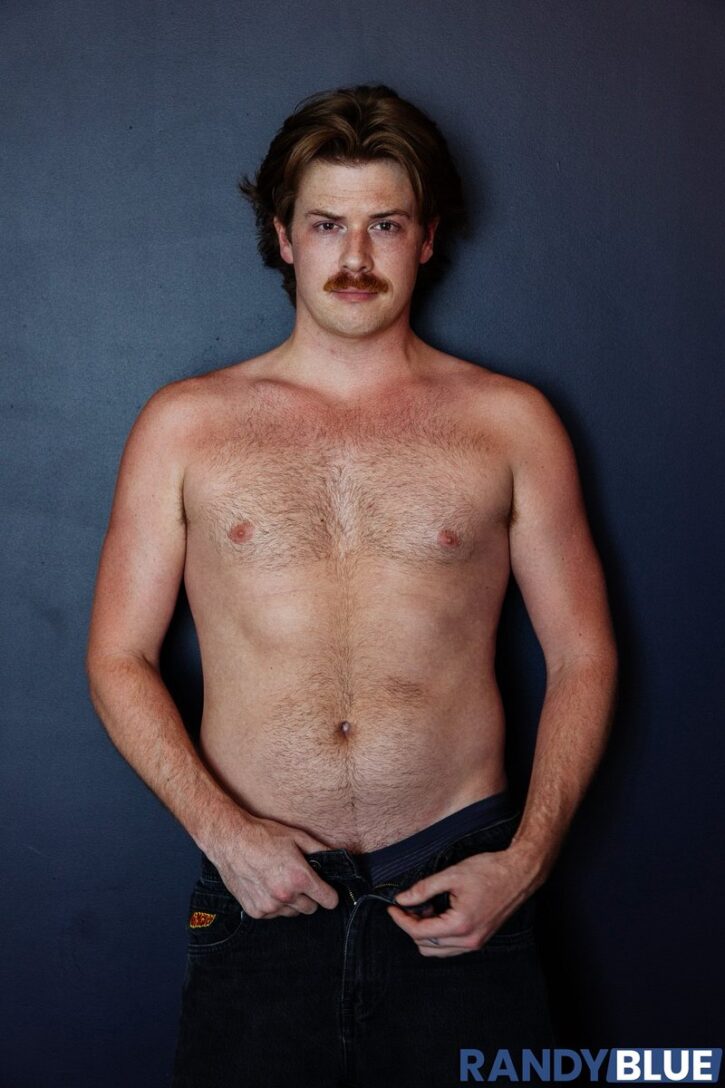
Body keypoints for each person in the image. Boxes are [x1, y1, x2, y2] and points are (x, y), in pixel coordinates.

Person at [86, 83, 618, 1087]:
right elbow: (118, 655)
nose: (356, 256)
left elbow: (582, 654)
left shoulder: (509, 422)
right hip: (261, 892)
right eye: (327, 223)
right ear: (282, 236)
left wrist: (525, 861)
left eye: (386, 224)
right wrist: (223, 836)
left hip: (463, 887)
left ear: (427, 238)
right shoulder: (184, 426)